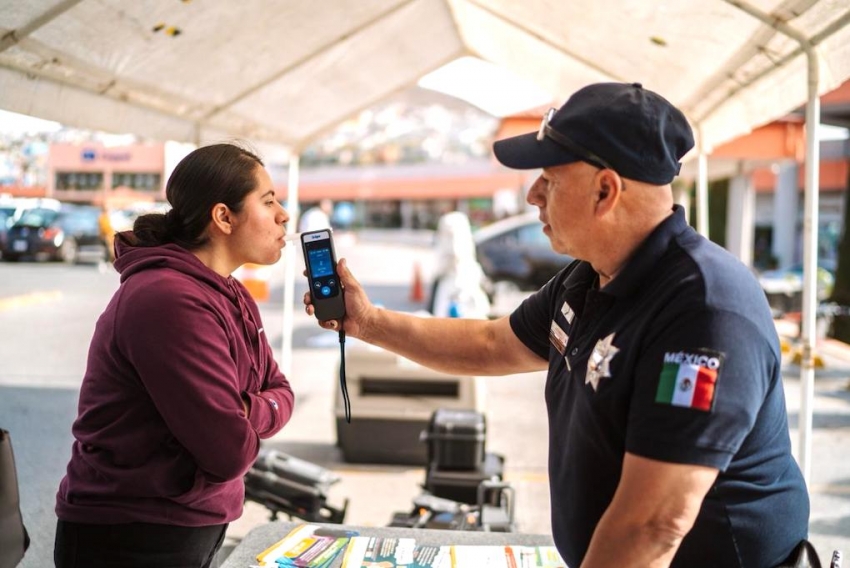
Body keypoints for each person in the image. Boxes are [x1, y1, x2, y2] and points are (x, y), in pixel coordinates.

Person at [305, 83, 809, 567]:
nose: (532, 194)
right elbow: (489, 342)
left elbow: (653, 526)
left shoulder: (705, 308)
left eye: (550, 179)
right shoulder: (588, 276)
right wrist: (367, 322)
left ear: (605, 191)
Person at [54, 143, 296, 567]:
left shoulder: (231, 292)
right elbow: (229, 452)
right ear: (223, 217)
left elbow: (281, 391)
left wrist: (246, 408)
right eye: (269, 200)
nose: (284, 214)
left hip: (185, 525)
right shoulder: (169, 299)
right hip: (131, 535)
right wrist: (251, 412)